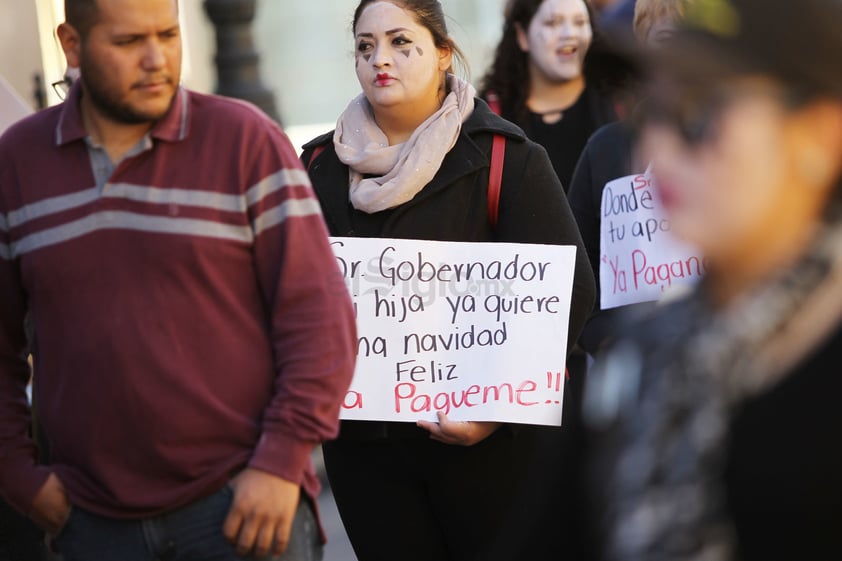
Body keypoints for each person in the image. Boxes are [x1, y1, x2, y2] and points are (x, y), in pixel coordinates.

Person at [0, 1, 358, 561]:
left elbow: (320, 318)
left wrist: (280, 462)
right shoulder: (17, 163)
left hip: (245, 510)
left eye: (168, 35)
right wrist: (19, 477)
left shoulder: (244, 141)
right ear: (71, 45)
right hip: (90, 524)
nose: (156, 59)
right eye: (127, 43)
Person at [300, 1, 595, 560]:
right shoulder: (316, 169)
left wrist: (494, 414)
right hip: (367, 458)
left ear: (442, 53)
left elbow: (570, 293)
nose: (380, 60)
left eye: (400, 43)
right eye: (365, 47)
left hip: (486, 453)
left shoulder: (507, 158)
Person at [582, 0, 842, 559]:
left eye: (699, 113)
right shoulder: (639, 357)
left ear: (820, 134)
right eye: (651, 111)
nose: (656, 150)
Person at [568, 0, 696, 355]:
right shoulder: (605, 149)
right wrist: (603, 338)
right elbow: (575, 268)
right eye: (667, 37)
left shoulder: (743, 150)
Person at [480, 0, 621, 192]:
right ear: (522, 36)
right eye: (552, 23)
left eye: (579, 22)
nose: (569, 34)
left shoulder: (620, 99)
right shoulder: (489, 117)